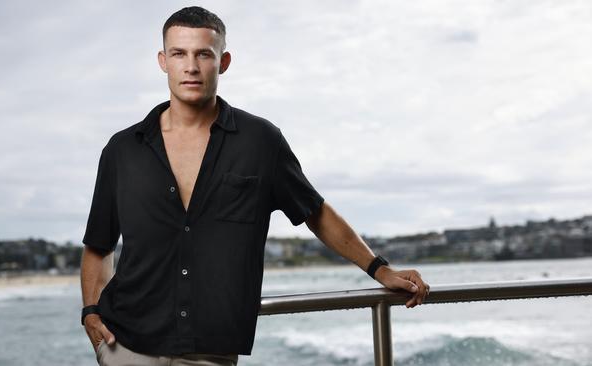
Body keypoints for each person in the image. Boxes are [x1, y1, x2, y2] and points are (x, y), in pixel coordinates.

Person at [80, 6, 430, 366]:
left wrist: (380, 269)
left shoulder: (261, 142)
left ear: (224, 61)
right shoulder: (123, 150)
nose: (191, 66)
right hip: (125, 345)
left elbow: (316, 213)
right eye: (178, 54)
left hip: (210, 350)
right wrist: (91, 311)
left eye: (204, 54)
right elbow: (98, 243)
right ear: (162, 61)